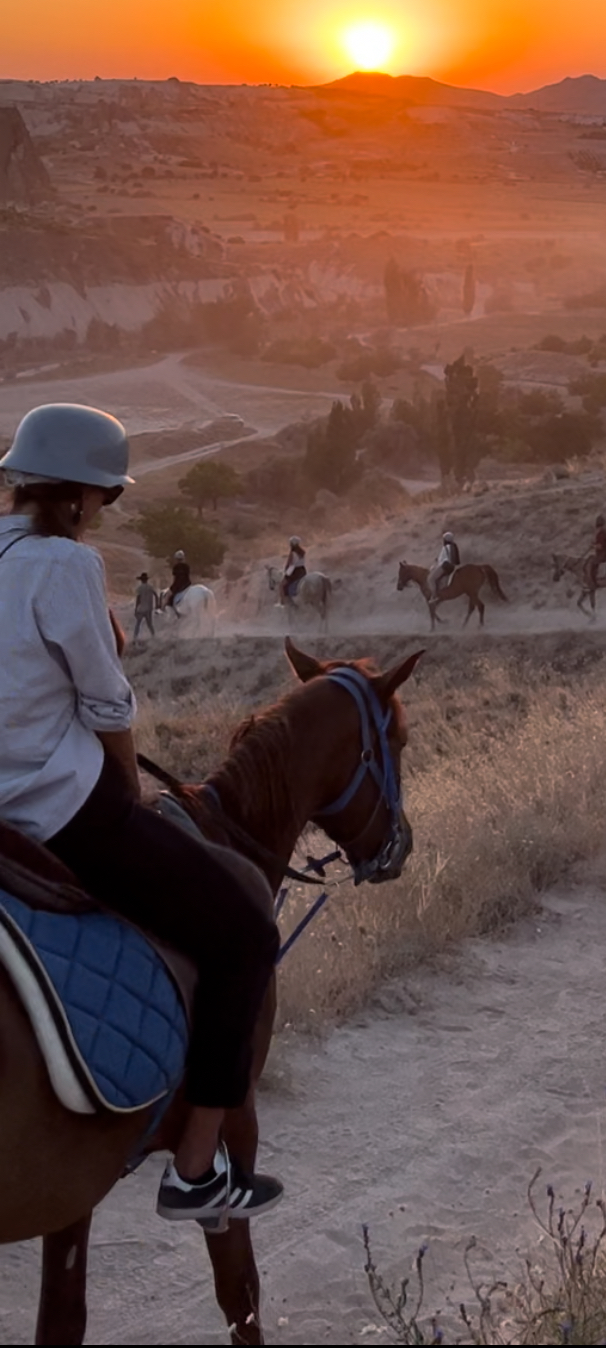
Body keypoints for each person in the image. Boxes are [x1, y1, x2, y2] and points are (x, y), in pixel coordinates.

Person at [0, 402, 283, 1223]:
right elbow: (105, 703)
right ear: (87, 499)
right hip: (58, 810)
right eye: (106, 500)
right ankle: (195, 1170)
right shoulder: (67, 567)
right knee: (243, 934)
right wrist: (130, 790)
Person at [280, 536, 307, 607]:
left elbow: (290, 564)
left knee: (282, 584)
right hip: (302, 570)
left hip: (295, 571)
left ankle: (283, 603)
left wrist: (286, 571)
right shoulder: (302, 552)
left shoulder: (292, 553)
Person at [132, 571, 158, 643]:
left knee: (138, 623)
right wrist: (157, 604)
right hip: (149, 608)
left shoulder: (140, 588)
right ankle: (154, 636)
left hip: (141, 608)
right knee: (149, 624)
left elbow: (138, 599)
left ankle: (135, 637)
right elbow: (156, 595)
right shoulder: (150, 587)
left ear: (141, 580)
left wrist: (136, 609)